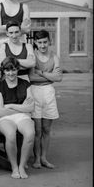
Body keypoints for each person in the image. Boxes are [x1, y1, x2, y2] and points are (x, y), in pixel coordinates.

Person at [0, 57, 35, 179]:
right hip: (6, 118)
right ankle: (14, 167)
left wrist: (11, 105)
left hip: (23, 116)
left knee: (30, 134)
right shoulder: (0, 87)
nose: (11, 73)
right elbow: (1, 112)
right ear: (4, 71)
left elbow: (30, 108)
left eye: (13, 70)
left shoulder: (25, 84)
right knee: (11, 135)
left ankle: (22, 166)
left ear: (17, 69)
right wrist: (21, 106)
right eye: (7, 71)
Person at [29, 30, 63, 169]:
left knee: (46, 129)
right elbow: (31, 77)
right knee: (37, 130)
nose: (42, 45)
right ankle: (37, 159)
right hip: (35, 91)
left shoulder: (54, 56)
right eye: (40, 42)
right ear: (36, 43)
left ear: (49, 41)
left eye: (45, 42)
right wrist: (50, 75)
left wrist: (41, 72)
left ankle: (44, 158)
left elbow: (59, 78)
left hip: (49, 92)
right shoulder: (33, 56)